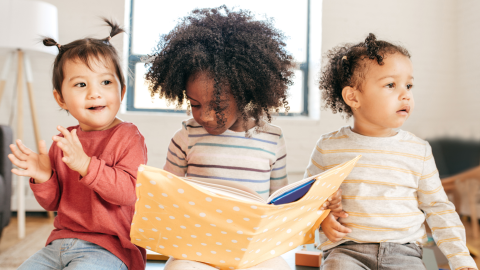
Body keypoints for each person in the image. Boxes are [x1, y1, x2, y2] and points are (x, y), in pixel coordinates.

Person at [145, 6, 343, 270]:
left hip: (254, 250)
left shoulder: (272, 139)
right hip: (197, 248)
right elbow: (167, 197)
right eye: (195, 104)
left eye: (218, 106)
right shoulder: (186, 137)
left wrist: (312, 208)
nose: (204, 116)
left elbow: (279, 201)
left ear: (245, 93)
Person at [305, 33, 477, 270]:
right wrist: (323, 219)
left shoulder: (419, 150)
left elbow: (438, 208)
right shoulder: (328, 147)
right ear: (353, 97)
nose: (406, 94)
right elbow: (306, 200)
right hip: (346, 252)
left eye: (408, 85)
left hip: (404, 253)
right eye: (390, 85)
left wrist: (460, 258)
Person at [8, 19, 147, 270]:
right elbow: (53, 203)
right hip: (58, 244)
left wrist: (85, 164)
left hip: (110, 248)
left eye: (106, 82)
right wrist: (44, 177)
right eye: (81, 84)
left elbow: (127, 192)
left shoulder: (129, 136)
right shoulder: (64, 141)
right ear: (60, 98)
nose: (95, 93)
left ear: (122, 92)